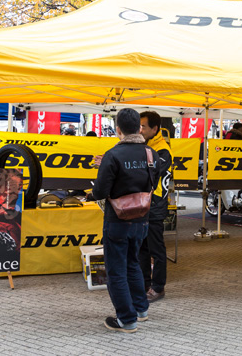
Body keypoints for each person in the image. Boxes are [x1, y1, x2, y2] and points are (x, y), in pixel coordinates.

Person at [92, 108, 158, 333]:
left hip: (117, 220)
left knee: (116, 270)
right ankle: (141, 310)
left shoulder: (112, 155)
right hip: (142, 219)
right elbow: (153, 185)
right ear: (139, 128)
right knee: (133, 264)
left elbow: (100, 192)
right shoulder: (151, 154)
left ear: (118, 129)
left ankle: (126, 320)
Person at [138, 111, 172, 303]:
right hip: (143, 204)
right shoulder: (145, 145)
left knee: (156, 249)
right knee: (142, 248)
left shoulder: (163, 150)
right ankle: (144, 285)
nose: (140, 130)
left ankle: (158, 287)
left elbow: (149, 174)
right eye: (139, 126)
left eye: (143, 126)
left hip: (155, 205)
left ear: (155, 129)